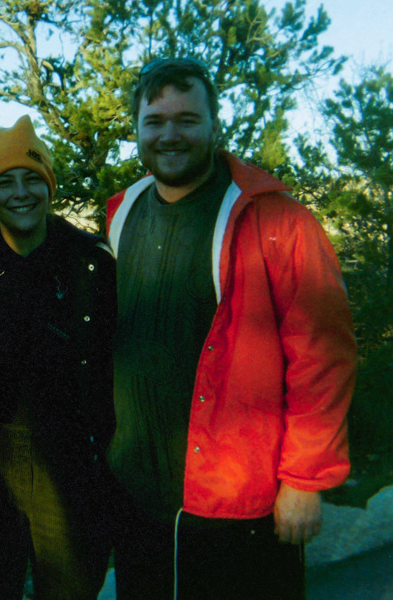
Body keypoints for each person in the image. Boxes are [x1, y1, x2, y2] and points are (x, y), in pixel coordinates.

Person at [105, 57, 357, 599]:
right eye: (155, 121)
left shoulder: (275, 219)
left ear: (215, 123)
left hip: (238, 493)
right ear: (137, 128)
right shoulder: (123, 211)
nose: (169, 135)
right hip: (139, 490)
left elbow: (324, 354)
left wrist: (304, 480)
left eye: (187, 120)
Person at [0, 115, 117, 600]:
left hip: (72, 466)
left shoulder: (89, 263)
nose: (20, 193)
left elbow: (114, 364)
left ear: (48, 187)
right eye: (5, 183)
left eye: (32, 179)